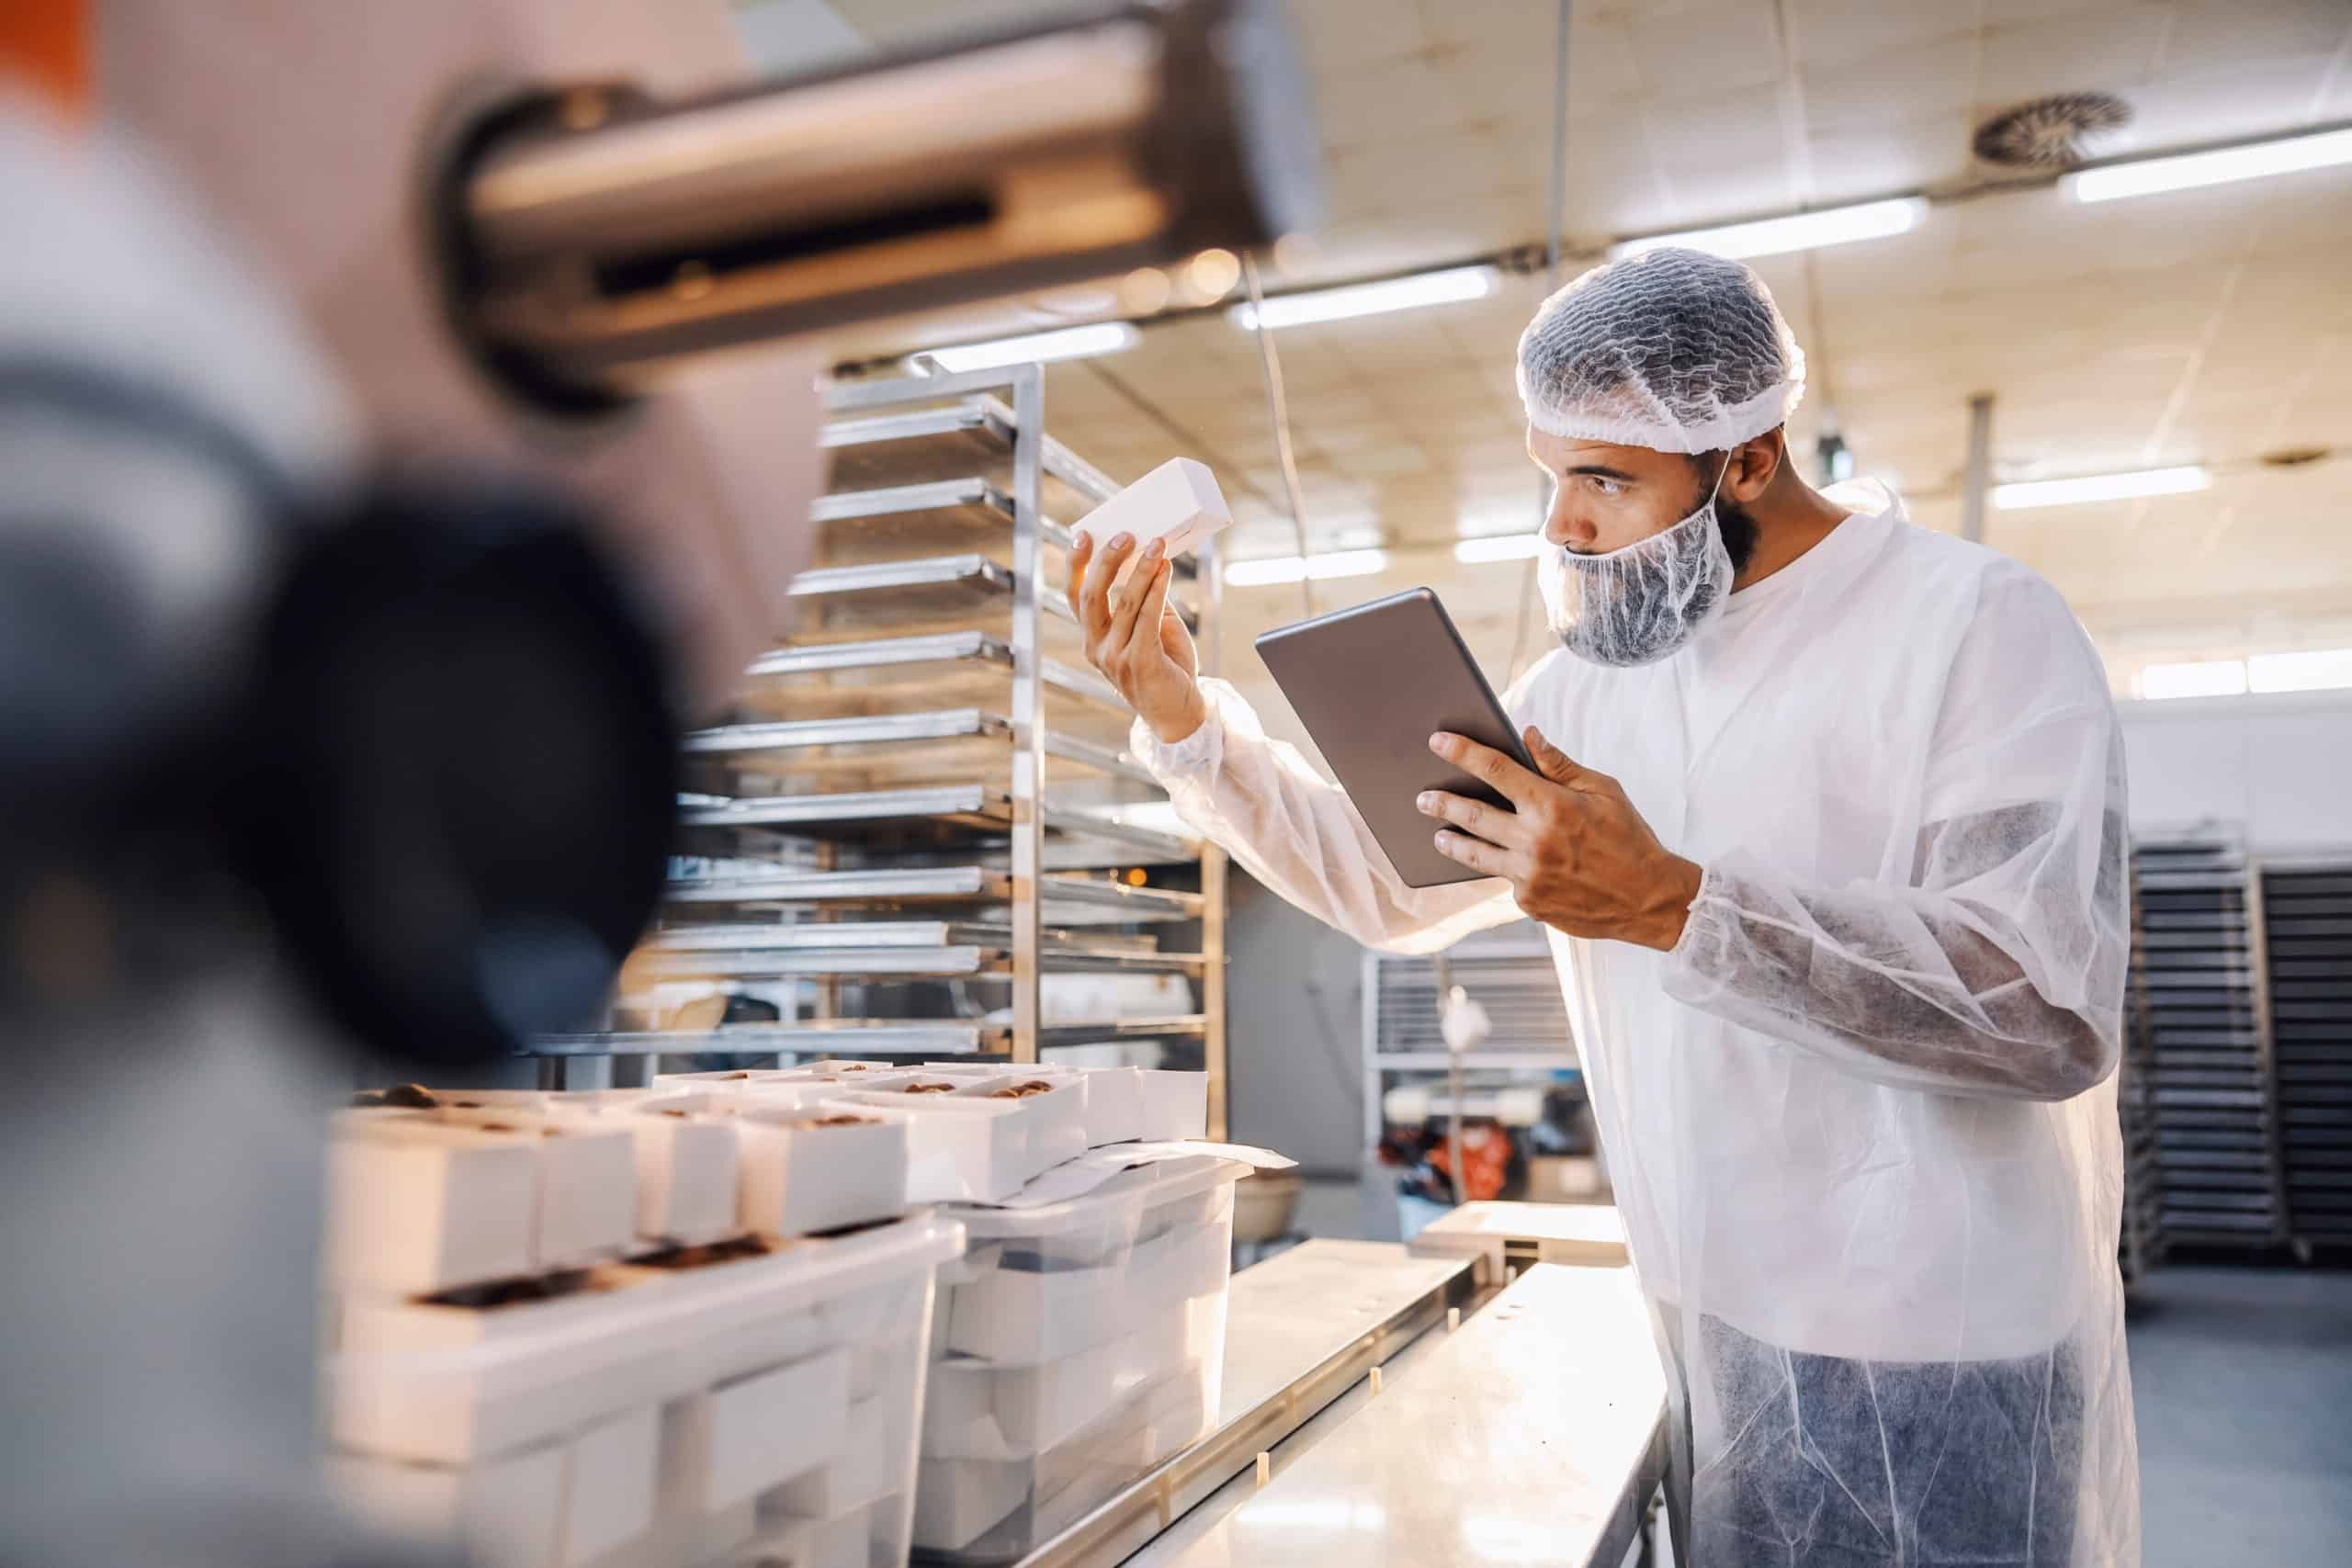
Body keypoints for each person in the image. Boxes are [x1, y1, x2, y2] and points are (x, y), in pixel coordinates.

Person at [1069, 246, 2139, 1567]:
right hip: (1708, 1310)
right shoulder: (1591, 688)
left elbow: (2037, 1005)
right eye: (1553, 475)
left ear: (1745, 457)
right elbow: (1389, 882)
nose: (1565, 523)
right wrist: (1187, 722)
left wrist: (1679, 907)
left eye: (1606, 479)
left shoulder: (1974, 626)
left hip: (1933, 1332)